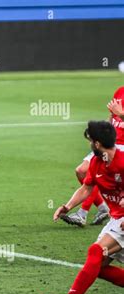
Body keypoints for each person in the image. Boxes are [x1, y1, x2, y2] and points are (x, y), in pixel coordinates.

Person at [40, 121, 124, 294]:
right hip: (116, 219)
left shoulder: (122, 161)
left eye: (90, 141)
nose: (89, 144)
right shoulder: (96, 163)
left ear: (97, 144)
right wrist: (67, 206)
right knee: (97, 267)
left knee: (96, 252)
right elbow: (87, 187)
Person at [60, 87, 124, 226]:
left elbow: (119, 114)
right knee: (81, 171)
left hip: (121, 149)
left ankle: (82, 213)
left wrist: (122, 114)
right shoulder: (120, 92)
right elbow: (112, 118)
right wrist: (98, 134)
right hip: (110, 143)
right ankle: (102, 208)